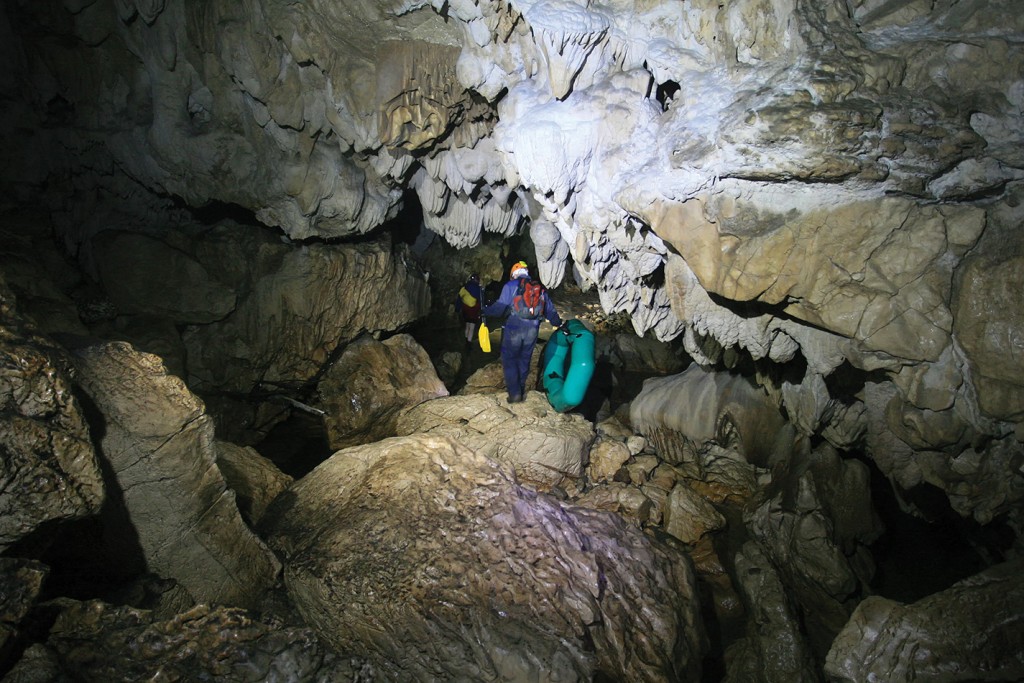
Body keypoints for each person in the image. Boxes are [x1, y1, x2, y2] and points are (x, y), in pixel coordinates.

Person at [483, 260, 561, 403]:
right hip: (533, 328)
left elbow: (499, 308)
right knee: (524, 360)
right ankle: (521, 388)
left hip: (514, 327)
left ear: (514, 273)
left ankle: (515, 394)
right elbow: (550, 310)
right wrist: (559, 323)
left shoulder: (510, 286)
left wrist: (485, 311)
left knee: (510, 359)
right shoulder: (539, 288)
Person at [457, 273, 482, 346]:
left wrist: (457, 309)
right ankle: (468, 343)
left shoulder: (465, 286)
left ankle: (466, 339)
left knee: (467, 325)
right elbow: (480, 300)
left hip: (465, 309)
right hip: (473, 310)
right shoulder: (478, 288)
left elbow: (459, 298)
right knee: (472, 327)